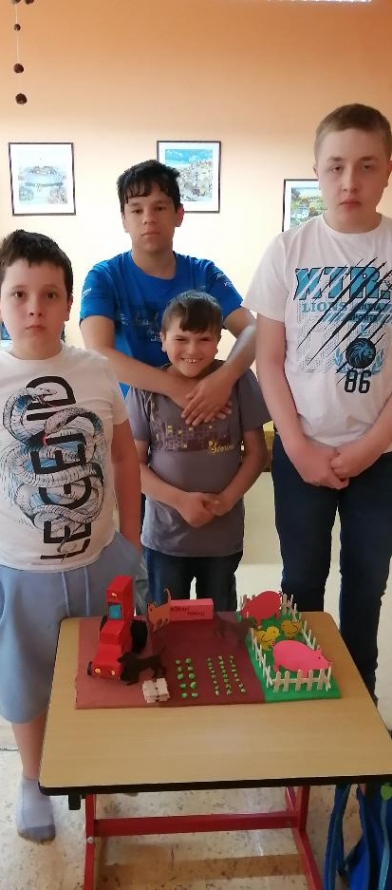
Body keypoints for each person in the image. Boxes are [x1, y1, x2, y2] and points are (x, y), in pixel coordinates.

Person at [0, 230, 146, 843]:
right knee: (26, 683)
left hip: (100, 562)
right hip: (18, 576)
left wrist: (131, 541)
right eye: (19, 294)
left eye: (49, 294)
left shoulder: (96, 371)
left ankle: (103, 759)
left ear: (68, 303)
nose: (34, 307)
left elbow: (123, 457)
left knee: (107, 666)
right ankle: (33, 778)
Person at [246, 103, 392, 698]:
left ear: (388, 170)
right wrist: (298, 447)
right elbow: (268, 360)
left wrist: (370, 447)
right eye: (335, 167)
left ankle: (359, 701)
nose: (349, 181)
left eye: (366, 166)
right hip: (300, 452)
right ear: (317, 171)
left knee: (366, 583)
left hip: (379, 458)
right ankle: (299, 694)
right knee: (302, 579)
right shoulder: (289, 250)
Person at [80, 159, 256, 426]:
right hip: (129, 423)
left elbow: (253, 330)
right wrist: (174, 387)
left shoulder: (204, 274)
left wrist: (225, 377)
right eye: (136, 210)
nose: (148, 218)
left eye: (159, 207)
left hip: (200, 415)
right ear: (124, 219)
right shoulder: (104, 277)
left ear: (179, 214)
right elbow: (98, 351)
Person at [125, 291, 269, 609]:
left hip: (223, 537)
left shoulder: (240, 382)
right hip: (165, 538)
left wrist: (227, 499)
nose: (192, 349)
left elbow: (257, 453)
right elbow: (133, 465)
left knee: (219, 621)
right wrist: (179, 500)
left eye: (204, 339)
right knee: (165, 623)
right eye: (181, 339)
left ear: (218, 341)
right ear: (163, 340)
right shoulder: (145, 391)